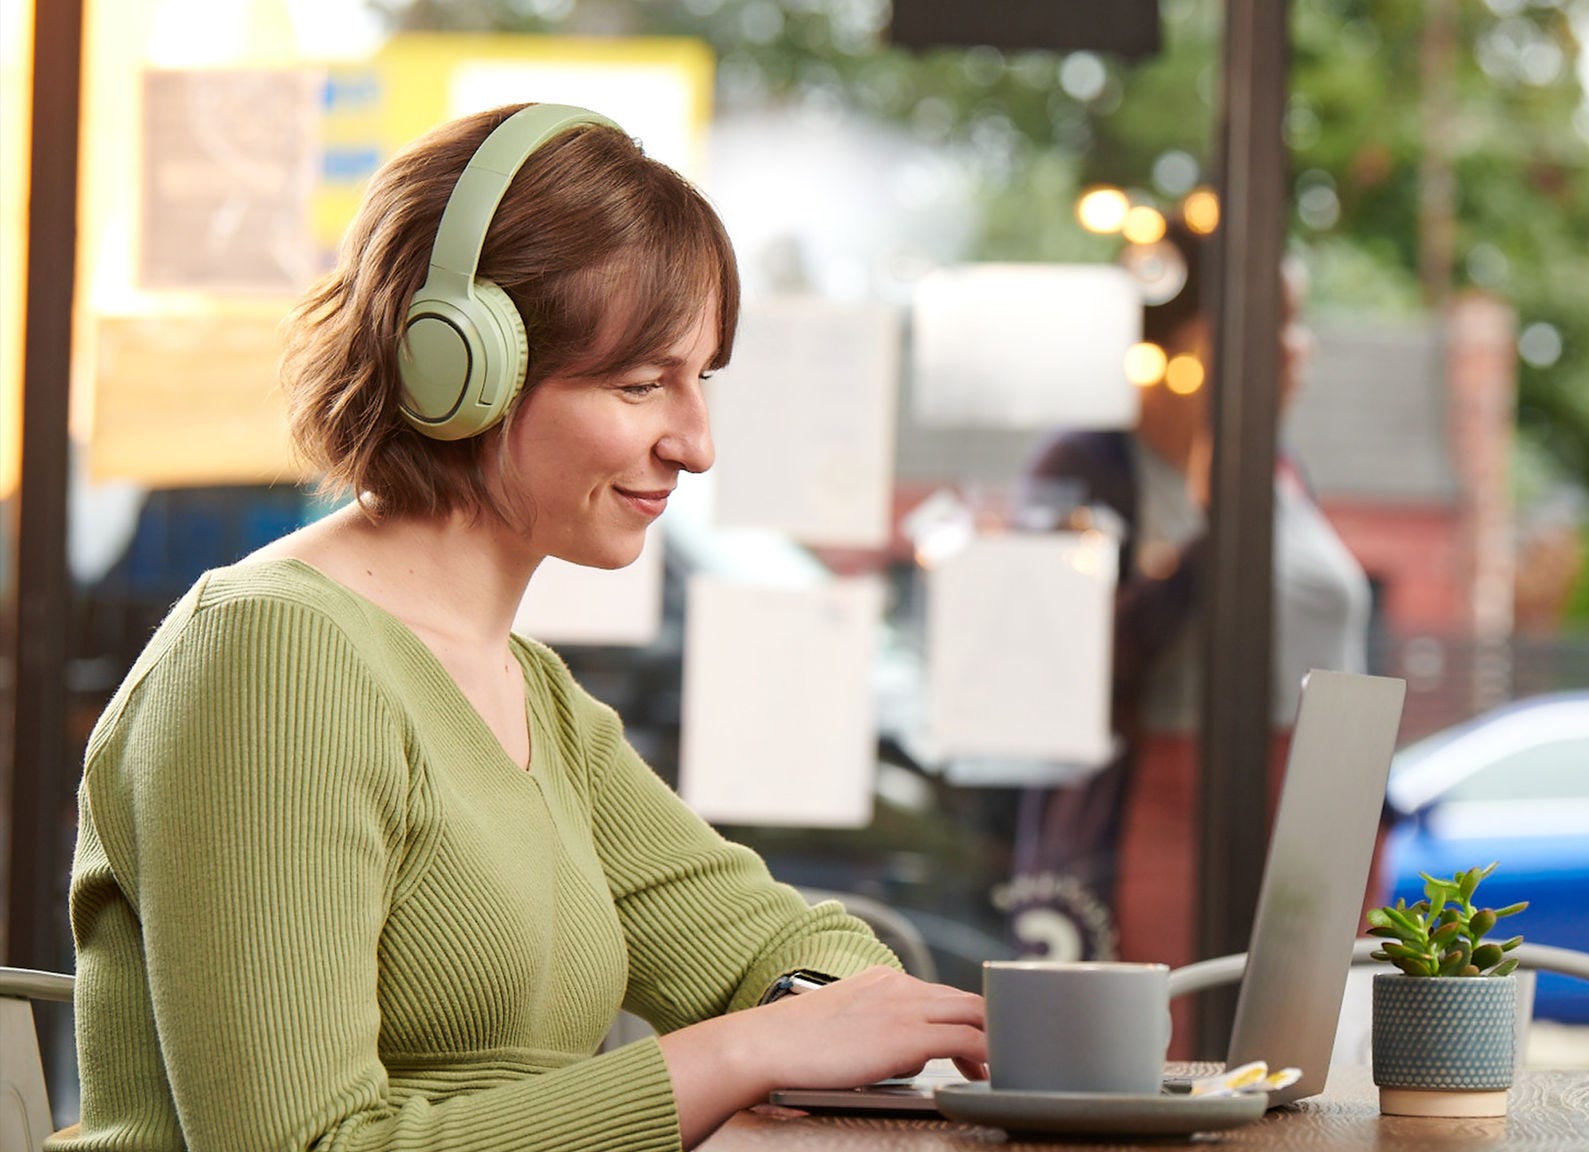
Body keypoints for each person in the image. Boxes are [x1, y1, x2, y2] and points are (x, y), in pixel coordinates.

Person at [58, 103, 985, 1152]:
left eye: (699, 381)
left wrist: (845, 1013)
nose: (696, 445)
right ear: (458, 372)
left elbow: (778, 945)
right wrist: (739, 1053)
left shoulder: (527, 691)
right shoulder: (271, 659)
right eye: (640, 386)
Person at [1004, 220, 1378, 1036]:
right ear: (1195, 338)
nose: (1296, 348)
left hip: (1318, 813)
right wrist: (1213, 521)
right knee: (1173, 1052)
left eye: (1297, 322)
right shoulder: (1090, 462)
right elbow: (1066, 662)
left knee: (1301, 1067)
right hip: (1175, 809)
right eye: (1275, 321)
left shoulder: (1282, 468)